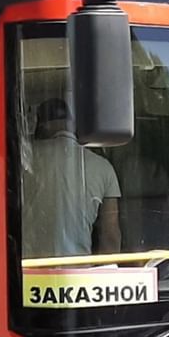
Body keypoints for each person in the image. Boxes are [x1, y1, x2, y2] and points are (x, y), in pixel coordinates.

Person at [21, 96, 121, 258]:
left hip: (27, 273)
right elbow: (110, 236)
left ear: (41, 125)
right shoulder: (103, 167)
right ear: (72, 125)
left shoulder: (24, 162)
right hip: (78, 276)